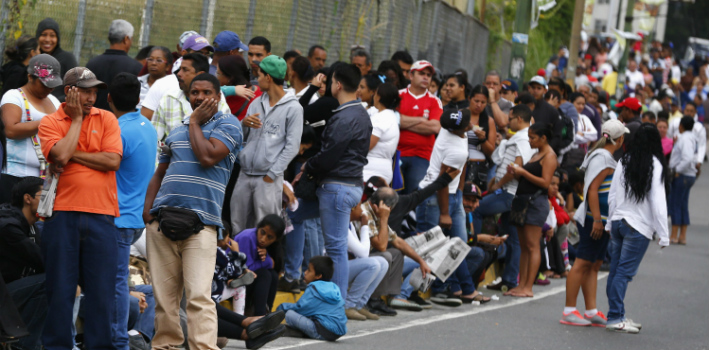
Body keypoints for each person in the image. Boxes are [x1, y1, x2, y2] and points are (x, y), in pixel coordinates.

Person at [142, 73, 242, 350]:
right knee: (165, 300)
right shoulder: (176, 130)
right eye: (194, 92)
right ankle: (165, 346)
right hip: (161, 223)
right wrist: (147, 211)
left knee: (199, 297)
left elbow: (207, 156)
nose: (199, 97)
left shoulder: (229, 125)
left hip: (202, 226)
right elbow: (160, 172)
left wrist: (195, 122)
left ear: (218, 95)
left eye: (206, 92)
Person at [37, 67, 122, 350]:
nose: (92, 96)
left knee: (101, 294)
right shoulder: (50, 122)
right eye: (85, 90)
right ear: (69, 92)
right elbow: (59, 155)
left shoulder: (107, 117)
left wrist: (74, 154)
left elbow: (112, 160)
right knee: (60, 291)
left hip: (102, 216)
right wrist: (75, 122)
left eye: (94, 90)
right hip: (62, 214)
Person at [299, 63, 371, 299]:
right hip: (349, 185)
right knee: (296, 217)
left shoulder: (344, 117)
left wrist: (308, 165)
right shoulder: (361, 113)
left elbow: (330, 156)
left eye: (331, 82)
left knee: (336, 248)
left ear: (338, 85)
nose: (329, 86)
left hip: (337, 187)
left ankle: (336, 302)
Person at [108, 73, 158, 350]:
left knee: (115, 283)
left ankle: (118, 341)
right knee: (116, 281)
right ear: (139, 99)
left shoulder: (118, 130)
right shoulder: (147, 126)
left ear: (109, 99)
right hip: (136, 217)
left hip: (118, 218)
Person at [561, 120, 626, 327]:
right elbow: (592, 190)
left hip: (601, 220)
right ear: (620, 139)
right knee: (581, 263)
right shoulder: (604, 158)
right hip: (593, 220)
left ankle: (590, 310)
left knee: (595, 264)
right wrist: (597, 219)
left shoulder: (604, 156)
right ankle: (569, 310)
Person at [605, 123, 668, 333]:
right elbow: (658, 203)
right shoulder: (655, 164)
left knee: (615, 271)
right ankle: (615, 317)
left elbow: (612, 195)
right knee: (624, 273)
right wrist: (664, 235)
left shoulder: (624, 160)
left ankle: (617, 315)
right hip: (637, 226)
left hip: (618, 222)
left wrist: (609, 222)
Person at [231, 55, 303, 234]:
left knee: (265, 230)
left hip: (268, 178)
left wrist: (272, 174)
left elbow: (292, 147)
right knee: (237, 226)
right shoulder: (256, 103)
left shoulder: (293, 108)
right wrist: (244, 124)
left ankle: (263, 263)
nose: (258, 78)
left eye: (260, 74)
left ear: (269, 78)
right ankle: (239, 262)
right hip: (245, 174)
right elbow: (243, 138)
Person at [481, 105, 536, 292]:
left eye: (511, 118)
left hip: (508, 192)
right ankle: (509, 280)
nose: (508, 121)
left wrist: (498, 184)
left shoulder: (522, 139)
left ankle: (477, 251)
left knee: (477, 209)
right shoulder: (524, 138)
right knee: (513, 239)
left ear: (519, 119)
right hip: (510, 192)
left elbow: (515, 168)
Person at [504, 123, 557, 298]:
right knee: (524, 246)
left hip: (535, 203)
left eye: (533, 137)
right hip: (522, 201)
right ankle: (521, 285)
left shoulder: (549, 156)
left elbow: (545, 182)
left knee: (533, 246)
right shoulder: (536, 154)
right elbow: (526, 176)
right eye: (529, 137)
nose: (530, 140)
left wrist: (523, 173)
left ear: (544, 138)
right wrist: (515, 171)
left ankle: (528, 287)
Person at [0, 55, 61, 204]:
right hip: (14, 175)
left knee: (36, 225)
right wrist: (47, 122)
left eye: (52, 84)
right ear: (30, 77)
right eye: (44, 84)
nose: (50, 88)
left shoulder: (54, 101)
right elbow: (10, 130)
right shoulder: (14, 96)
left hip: (43, 179)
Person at [0, 177, 46, 350]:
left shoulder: (32, 226)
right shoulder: (8, 227)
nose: (52, 201)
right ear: (28, 199)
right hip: (3, 297)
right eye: (45, 196)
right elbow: (43, 261)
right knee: (52, 281)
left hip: (12, 291)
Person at [415, 108, 472, 241]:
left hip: (453, 195)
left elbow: (463, 165)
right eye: (467, 122)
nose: (471, 123)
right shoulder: (456, 150)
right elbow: (443, 180)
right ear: (457, 130)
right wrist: (445, 213)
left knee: (460, 246)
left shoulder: (450, 128)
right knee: (427, 247)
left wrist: (460, 191)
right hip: (434, 196)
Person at [152, 53, 231, 145]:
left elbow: (224, 144)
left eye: (185, 70)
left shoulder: (217, 102)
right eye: (180, 69)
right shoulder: (168, 99)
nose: (179, 74)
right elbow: (155, 141)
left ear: (200, 75)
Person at [398, 60, 443, 194]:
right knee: (393, 197)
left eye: (428, 75)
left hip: (422, 156)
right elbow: (393, 121)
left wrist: (403, 122)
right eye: (422, 73)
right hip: (396, 153)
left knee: (415, 196)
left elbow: (435, 127)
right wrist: (421, 120)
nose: (426, 77)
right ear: (411, 76)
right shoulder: (398, 95)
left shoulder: (435, 101)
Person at [278, 256, 347, 341]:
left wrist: (281, 308)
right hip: (337, 333)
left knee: (289, 314)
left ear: (318, 276)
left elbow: (300, 308)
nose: (305, 273)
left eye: (309, 270)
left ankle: (304, 332)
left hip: (323, 331)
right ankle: (304, 331)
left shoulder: (314, 288)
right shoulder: (334, 287)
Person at [233, 214, 286, 316]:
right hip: (233, 283)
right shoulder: (247, 237)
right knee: (264, 274)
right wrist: (269, 261)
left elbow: (276, 268)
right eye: (262, 232)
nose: (263, 239)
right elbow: (247, 270)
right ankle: (260, 317)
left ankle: (267, 313)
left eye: (269, 237)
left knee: (273, 275)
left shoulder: (272, 247)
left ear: (276, 239)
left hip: (246, 286)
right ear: (259, 227)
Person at [344, 203, 389, 320]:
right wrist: (365, 226)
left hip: (344, 267)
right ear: (352, 209)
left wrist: (363, 226)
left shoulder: (350, 224)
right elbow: (363, 253)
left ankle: (359, 305)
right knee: (373, 265)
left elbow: (363, 254)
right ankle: (348, 305)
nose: (362, 211)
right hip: (333, 269)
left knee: (383, 263)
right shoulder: (341, 223)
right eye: (359, 207)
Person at [86, 19, 143, 110]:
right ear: (126, 39)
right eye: (131, 39)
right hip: (122, 121)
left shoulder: (92, 64)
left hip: (94, 119)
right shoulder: (136, 67)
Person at [363, 83, 400, 184]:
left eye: (375, 94)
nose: (373, 96)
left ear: (378, 97)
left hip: (371, 172)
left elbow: (366, 146)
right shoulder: (389, 116)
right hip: (378, 168)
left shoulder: (382, 119)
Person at [669, 117, 698, 245]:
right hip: (689, 175)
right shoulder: (691, 138)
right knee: (683, 204)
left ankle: (674, 235)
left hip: (683, 174)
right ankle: (682, 236)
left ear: (681, 126)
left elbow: (687, 158)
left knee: (675, 203)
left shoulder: (685, 138)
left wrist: (677, 170)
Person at [35, 18, 77, 102]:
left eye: (52, 35)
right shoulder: (32, 58)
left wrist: (53, 103)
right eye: (43, 34)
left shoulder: (67, 59)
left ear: (57, 38)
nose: (47, 39)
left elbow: (74, 88)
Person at [466, 85, 496, 190]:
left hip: (478, 166)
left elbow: (490, 151)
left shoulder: (488, 121)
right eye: (476, 101)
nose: (479, 105)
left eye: (483, 102)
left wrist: (482, 139)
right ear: (469, 98)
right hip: (459, 162)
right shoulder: (461, 114)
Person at [217, 55, 259, 121]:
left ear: (230, 78)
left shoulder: (222, 97)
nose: (216, 77)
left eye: (218, 73)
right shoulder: (260, 91)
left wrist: (231, 90)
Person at [528, 75, 563, 154]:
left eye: (539, 88)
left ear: (545, 90)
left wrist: (545, 151)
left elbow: (557, 136)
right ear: (529, 89)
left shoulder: (551, 111)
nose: (535, 91)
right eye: (533, 87)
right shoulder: (522, 106)